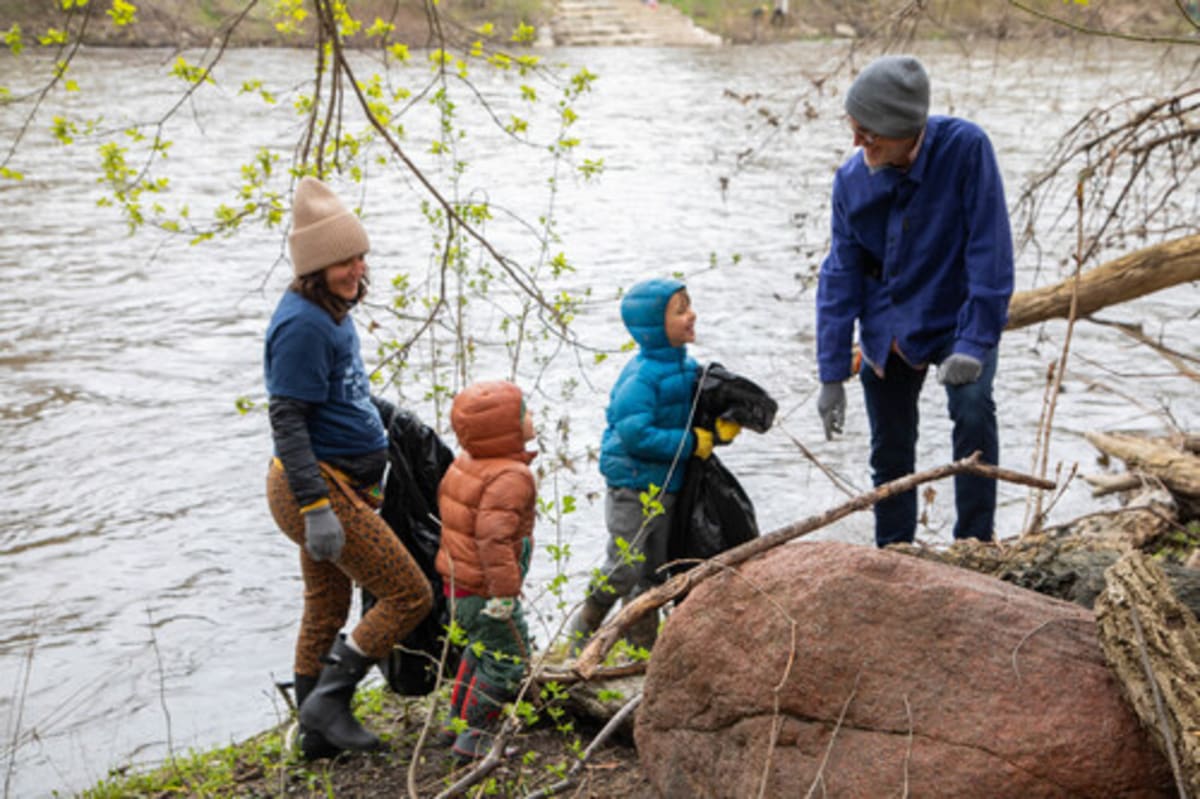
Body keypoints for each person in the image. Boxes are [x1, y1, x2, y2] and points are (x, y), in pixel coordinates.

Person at [815, 55, 1014, 548]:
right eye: (854, 127)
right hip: (889, 323)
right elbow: (840, 275)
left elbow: (990, 251)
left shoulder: (966, 148)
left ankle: (975, 543)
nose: (858, 143)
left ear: (908, 131)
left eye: (871, 134)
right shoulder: (851, 181)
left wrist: (974, 341)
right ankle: (895, 549)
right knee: (890, 448)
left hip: (957, 316)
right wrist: (831, 371)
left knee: (972, 409)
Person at [265, 176, 433, 758]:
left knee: (326, 606)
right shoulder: (302, 325)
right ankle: (329, 702)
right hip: (317, 487)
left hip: (339, 480)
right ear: (314, 268)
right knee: (410, 594)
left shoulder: (332, 311)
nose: (356, 269)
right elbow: (287, 419)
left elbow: (338, 392)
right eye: (342, 261)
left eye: (359, 256)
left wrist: (380, 417)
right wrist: (315, 507)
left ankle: (316, 736)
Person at [565, 278, 740, 654]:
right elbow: (634, 433)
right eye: (680, 310)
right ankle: (587, 621)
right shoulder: (641, 377)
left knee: (655, 573)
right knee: (624, 566)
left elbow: (694, 413)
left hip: (670, 484)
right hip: (633, 484)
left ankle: (643, 650)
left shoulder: (687, 368)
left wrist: (720, 430)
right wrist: (693, 443)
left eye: (689, 305)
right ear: (654, 327)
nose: (691, 314)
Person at [433, 380, 538, 761]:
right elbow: (493, 539)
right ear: (503, 429)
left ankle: (455, 721)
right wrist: (504, 593)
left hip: (458, 585)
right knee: (509, 656)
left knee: (478, 650)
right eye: (523, 413)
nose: (531, 418)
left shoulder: (466, 463)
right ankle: (475, 736)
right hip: (485, 590)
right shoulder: (509, 476)